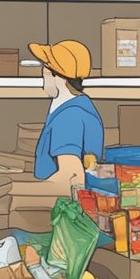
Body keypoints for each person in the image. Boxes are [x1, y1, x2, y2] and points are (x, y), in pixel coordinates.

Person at [7, 40, 103, 197]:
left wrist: (6, 190)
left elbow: (71, 179)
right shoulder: (79, 107)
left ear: (58, 77)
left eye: (45, 70)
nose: (43, 77)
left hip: (60, 206)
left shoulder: (69, 117)